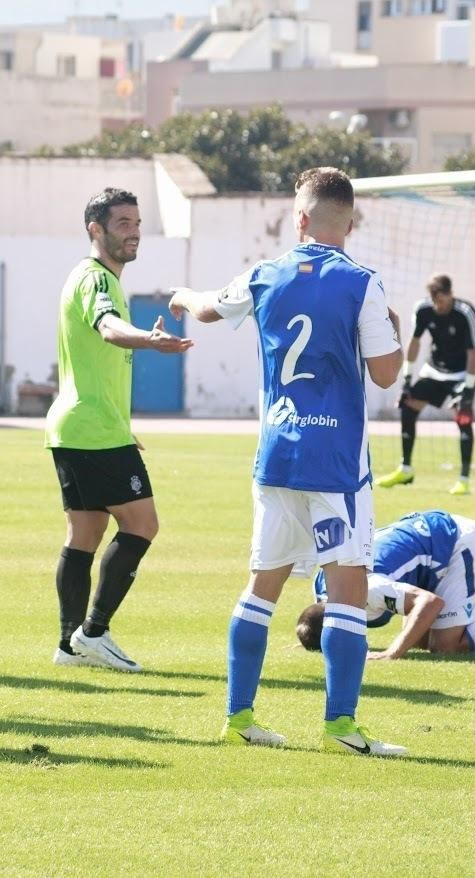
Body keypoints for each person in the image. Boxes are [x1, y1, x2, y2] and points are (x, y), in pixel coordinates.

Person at [170, 166, 409, 756]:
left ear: (298, 217)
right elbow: (384, 372)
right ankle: (340, 727)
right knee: (348, 585)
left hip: (278, 456)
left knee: (262, 586)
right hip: (335, 464)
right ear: (348, 223)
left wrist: (180, 294)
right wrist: (396, 332)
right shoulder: (363, 283)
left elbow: (205, 310)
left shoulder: (264, 273)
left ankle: (239, 716)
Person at [46, 188, 192, 673]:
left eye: (136, 222)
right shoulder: (97, 280)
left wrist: (121, 425)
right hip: (92, 430)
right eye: (123, 223)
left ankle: (69, 646)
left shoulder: (91, 278)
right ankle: (94, 632)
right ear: (96, 230)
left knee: (85, 532)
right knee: (142, 524)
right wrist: (150, 341)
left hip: (81, 427)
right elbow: (108, 328)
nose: (133, 231)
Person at [295, 509, 475, 658]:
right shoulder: (325, 582)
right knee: (419, 641)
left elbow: (429, 603)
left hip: (462, 544)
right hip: (435, 545)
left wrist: (393, 653)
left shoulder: (366, 589)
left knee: (446, 646)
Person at [377, 275, 475, 495]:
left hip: (461, 374)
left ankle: (463, 480)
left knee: (463, 418)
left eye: (442, 301)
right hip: (434, 371)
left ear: (450, 294)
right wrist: (407, 378)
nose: (438, 306)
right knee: (408, 407)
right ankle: (405, 469)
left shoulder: (466, 312)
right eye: (435, 301)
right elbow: (415, 341)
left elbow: (474, 353)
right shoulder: (423, 309)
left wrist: (469, 389)